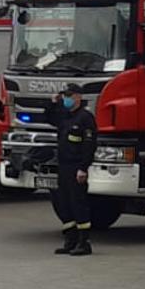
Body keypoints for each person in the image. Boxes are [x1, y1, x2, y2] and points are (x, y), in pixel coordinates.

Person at [46, 85, 98, 256]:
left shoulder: (85, 118)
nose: (65, 99)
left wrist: (83, 168)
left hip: (76, 167)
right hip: (63, 166)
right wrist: (53, 104)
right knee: (64, 203)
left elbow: (89, 145)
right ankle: (70, 240)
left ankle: (84, 242)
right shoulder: (65, 116)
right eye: (64, 96)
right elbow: (50, 117)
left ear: (77, 97)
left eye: (68, 96)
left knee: (78, 204)